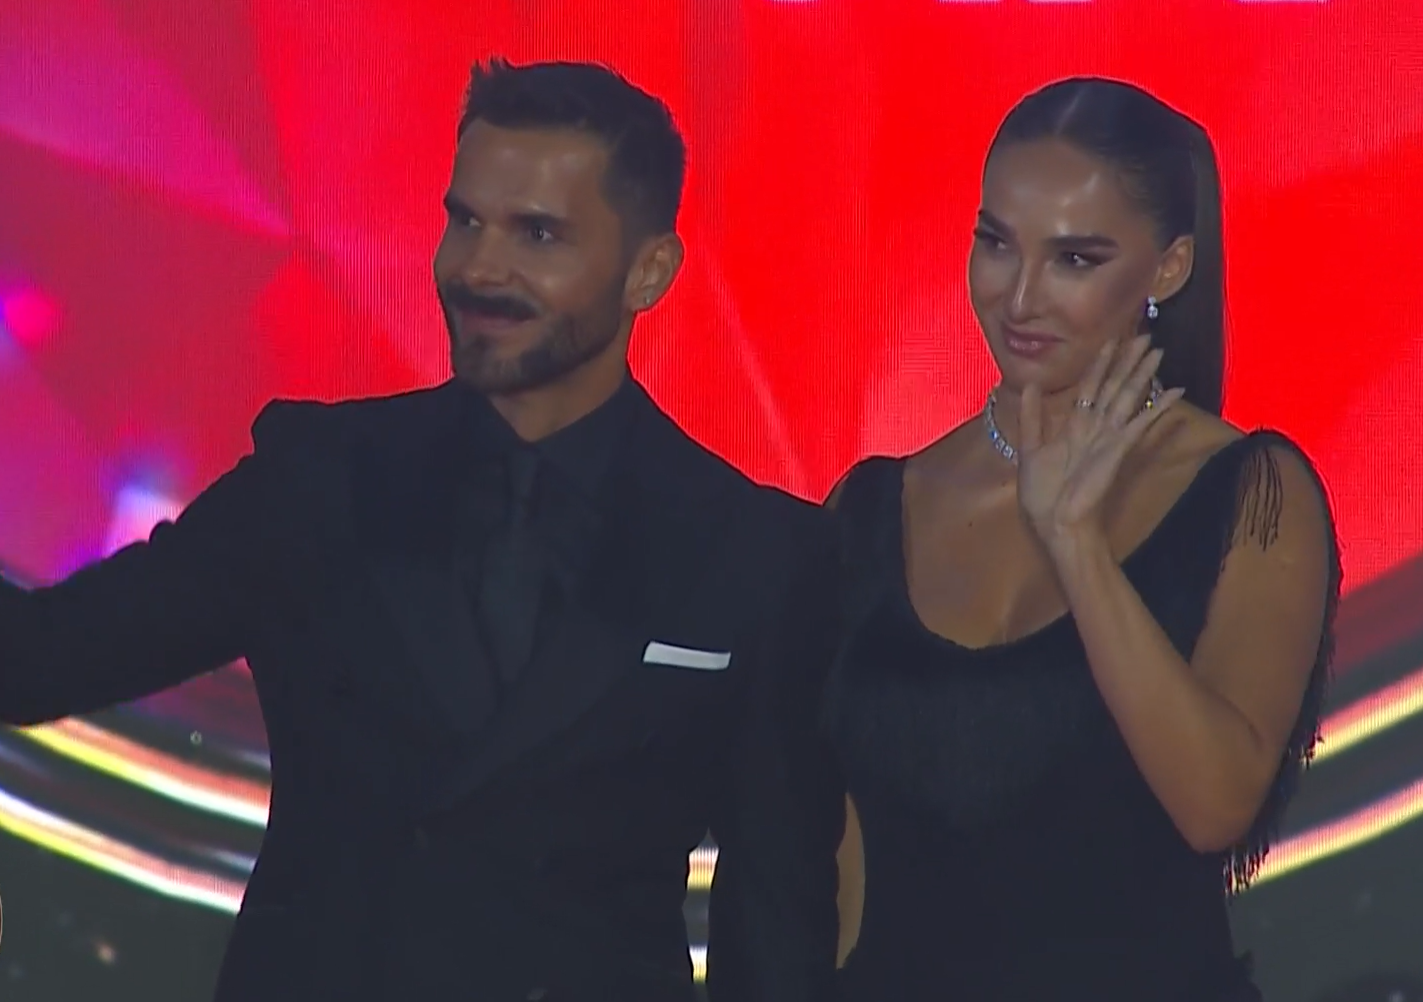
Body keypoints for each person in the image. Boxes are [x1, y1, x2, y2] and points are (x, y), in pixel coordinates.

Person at [0, 59, 844, 1002]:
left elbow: (773, 929)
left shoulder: (752, 555)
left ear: (648, 272)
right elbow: (39, 659)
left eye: (537, 234)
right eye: (465, 221)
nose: (479, 268)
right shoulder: (317, 482)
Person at [826, 77, 1339, 1001]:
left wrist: (1075, 545)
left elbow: (1215, 803)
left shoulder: (1247, 494)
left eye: (1073, 258)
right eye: (995, 243)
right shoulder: (874, 508)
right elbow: (840, 852)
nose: (1018, 297)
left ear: (1168, 269)